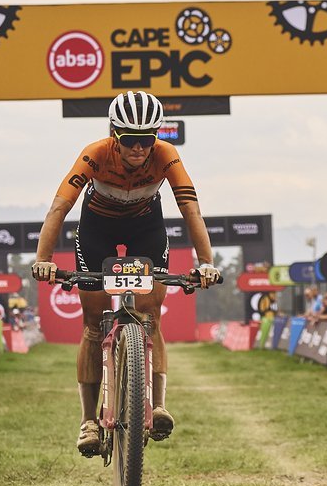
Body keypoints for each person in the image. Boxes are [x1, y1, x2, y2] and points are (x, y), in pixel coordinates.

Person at [31, 90, 221, 457]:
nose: (138, 148)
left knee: (150, 316)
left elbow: (190, 209)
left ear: (157, 138)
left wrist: (206, 263)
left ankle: (159, 404)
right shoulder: (95, 153)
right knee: (91, 323)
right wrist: (44, 259)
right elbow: (59, 207)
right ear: (113, 136)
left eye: (147, 139)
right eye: (129, 140)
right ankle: (88, 420)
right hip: (96, 229)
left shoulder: (166, 156)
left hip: (144, 228)